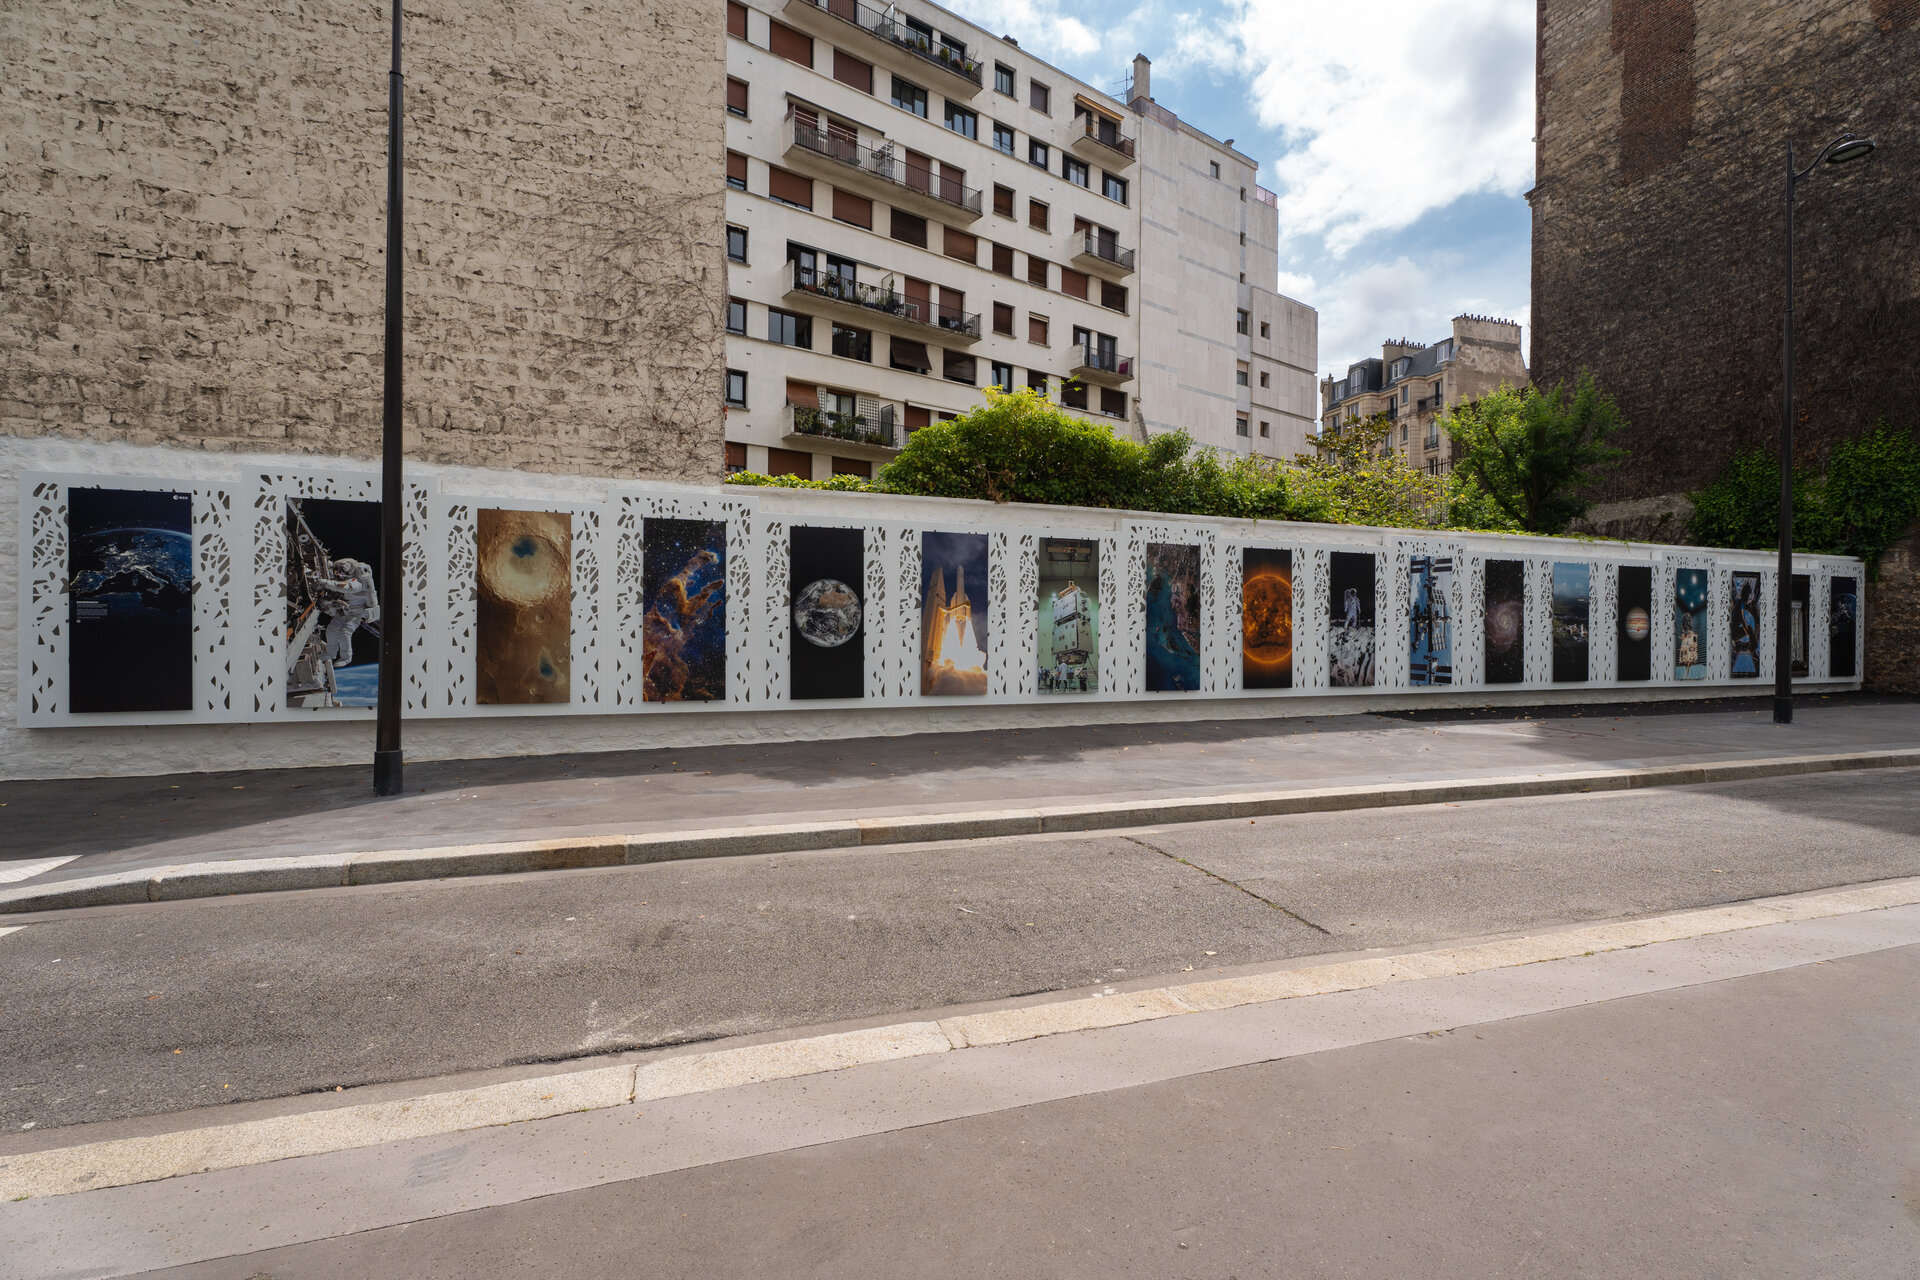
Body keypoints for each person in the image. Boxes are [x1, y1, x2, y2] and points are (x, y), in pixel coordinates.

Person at [320, 558, 380, 666]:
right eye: (337, 572)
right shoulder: (345, 579)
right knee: (331, 631)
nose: (339, 574)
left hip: (355, 615)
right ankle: (331, 653)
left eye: (341, 571)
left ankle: (346, 658)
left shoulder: (357, 582)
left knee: (344, 633)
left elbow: (346, 588)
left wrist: (325, 583)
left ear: (348, 569)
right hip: (343, 611)